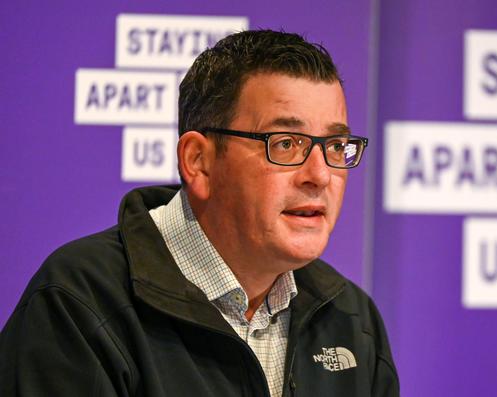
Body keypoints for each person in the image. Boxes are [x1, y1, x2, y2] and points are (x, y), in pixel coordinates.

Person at [0, 30, 399, 397]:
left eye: (335, 145)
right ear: (199, 162)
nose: (320, 175)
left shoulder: (352, 320)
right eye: (286, 143)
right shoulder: (78, 304)